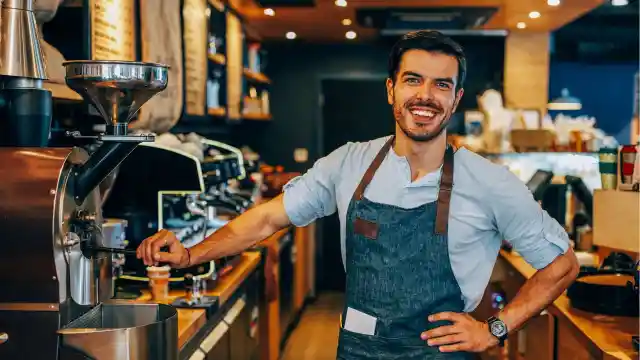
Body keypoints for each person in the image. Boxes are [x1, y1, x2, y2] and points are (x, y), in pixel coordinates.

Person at [138, 30, 580, 359]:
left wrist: (495, 329)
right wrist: (191, 255)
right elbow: (268, 219)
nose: (425, 95)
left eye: (441, 85)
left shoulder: (489, 181)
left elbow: (562, 264)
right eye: (413, 80)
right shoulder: (349, 163)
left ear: (456, 98)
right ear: (391, 90)